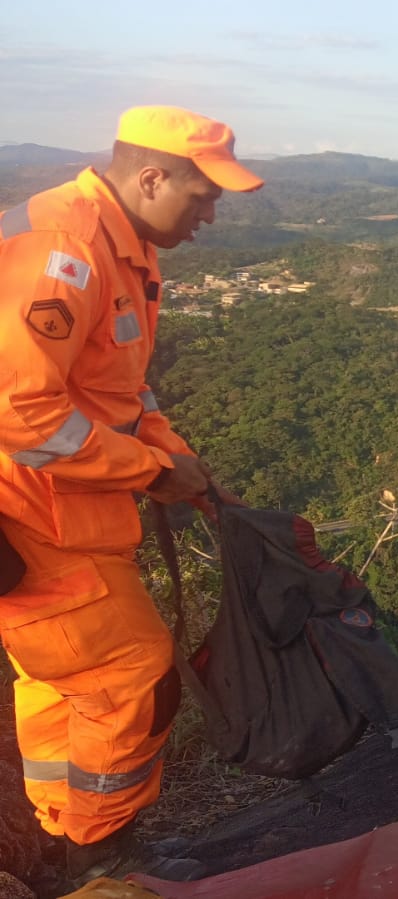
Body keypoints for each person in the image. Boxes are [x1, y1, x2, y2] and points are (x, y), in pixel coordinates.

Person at [0, 105, 262, 881]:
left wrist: (181, 463)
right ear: (151, 176)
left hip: (63, 507)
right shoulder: (63, 250)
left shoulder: (118, 246)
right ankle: (101, 854)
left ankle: (65, 836)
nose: (210, 215)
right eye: (202, 195)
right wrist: (149, 473)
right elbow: (20, 413)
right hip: (32, 511)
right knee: (135, 675)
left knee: (63, 683)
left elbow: (117, 390)